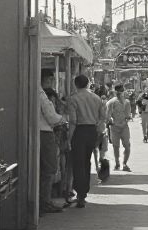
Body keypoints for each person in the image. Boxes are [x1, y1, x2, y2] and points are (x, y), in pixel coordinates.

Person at [65, 74, 107, 208]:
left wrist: (69, 138)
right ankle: (83, 193)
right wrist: (99, 133)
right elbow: (103, 117)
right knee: (86, 161)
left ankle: (80, 194)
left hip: (79, 131)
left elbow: (72, 121)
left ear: (75, 84)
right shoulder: (96, 98)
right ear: (88, 83)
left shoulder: (73, 99)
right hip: (92, 132)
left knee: (78, 163)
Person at [38, 73, 66, 213]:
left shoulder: (37, 90)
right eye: (49, 79)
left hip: (38, 131)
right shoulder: (40, 93)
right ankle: (45, 201)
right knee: (49, 168)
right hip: (45, 132)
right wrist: (61, 119)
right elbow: (50, 115)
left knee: (42, 169)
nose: (51, 81)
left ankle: (43, 200)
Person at [105, 83, 133, 172]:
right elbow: (108, 116)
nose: (120, 93)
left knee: (127, 146)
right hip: (114, 128)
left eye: (121, 91)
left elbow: (128, 115)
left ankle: (124, 163)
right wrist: (111, 120)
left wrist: (126, 119)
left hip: (124, 127)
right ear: (115, 91)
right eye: (118, 91)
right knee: (115, 146)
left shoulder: (127, 102)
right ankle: (117, 163)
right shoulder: (111, 102)